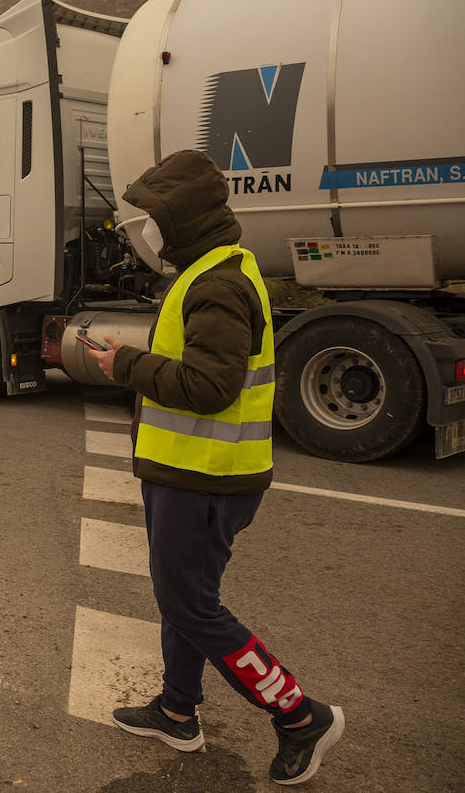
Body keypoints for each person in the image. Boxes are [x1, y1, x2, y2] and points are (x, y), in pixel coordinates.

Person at [85, 150, 343, 786]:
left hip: (207, 477)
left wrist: (125, 365)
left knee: (191, 604)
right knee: (182, 599)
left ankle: (300, 717)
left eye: (155, 218)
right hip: (188, 471)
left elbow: (211, 386)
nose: (147, 230)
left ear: (183, 219)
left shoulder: (218, 284)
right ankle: (177, 710)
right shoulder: (213, 269)